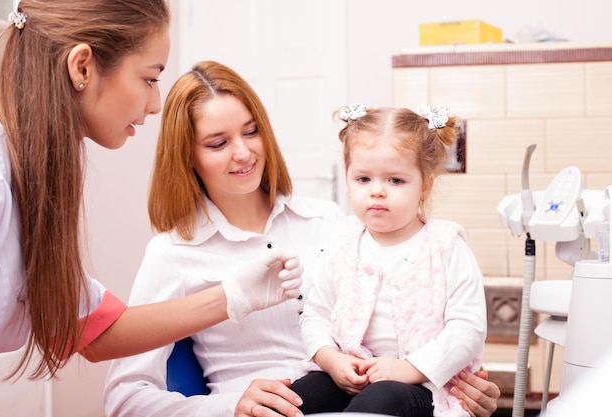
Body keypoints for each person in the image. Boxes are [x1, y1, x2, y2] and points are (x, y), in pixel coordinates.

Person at [104, 62, 500, 417]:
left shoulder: (332, 223)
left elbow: (415, 335)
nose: (243, 153)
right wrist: (230, 406)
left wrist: (460, 391)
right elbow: (125, 399)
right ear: (186, 155)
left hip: (370, 392)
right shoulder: (172, 253)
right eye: (218, 143)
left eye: (251, 131)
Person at [0, 1, 302, 412]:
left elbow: (94, 332)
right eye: (149, 79)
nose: (155, 105)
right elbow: (124, 388)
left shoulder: (29, 173)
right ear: (82, 67)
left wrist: (235, 294)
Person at [289, 104, 487, 417]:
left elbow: (468, 330)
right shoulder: (342, 242)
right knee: (295, 399)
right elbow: (315, 314)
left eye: (395, 180)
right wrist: (330, 359)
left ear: (425, 185)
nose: (377, 192)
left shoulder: (445, 246)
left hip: (420, 385)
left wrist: (410, 369)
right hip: (348, 373)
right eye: (363, 179)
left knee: (380, 400)